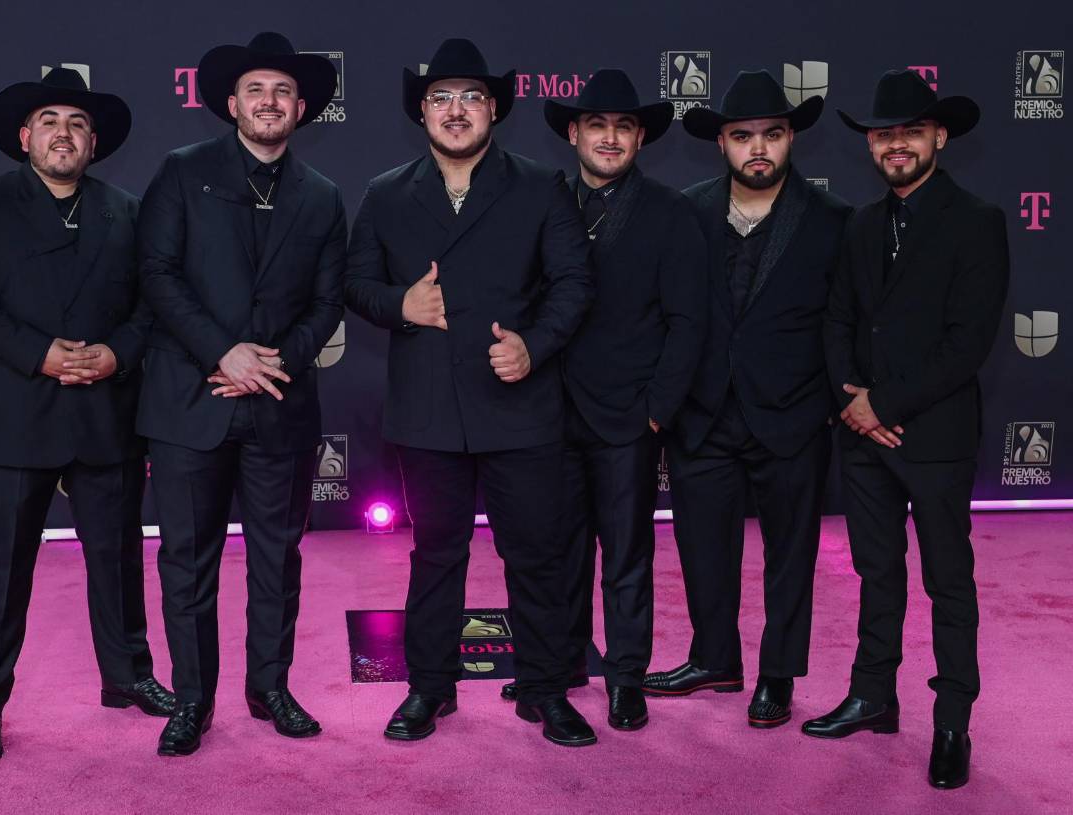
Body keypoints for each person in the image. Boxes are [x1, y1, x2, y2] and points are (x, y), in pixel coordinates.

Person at [344, 38, 597, 746]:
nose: (457, 111)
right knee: (436, 554)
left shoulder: (539, 186)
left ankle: (546, 688)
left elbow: (575, 283)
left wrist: (534, 346)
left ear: (495, 110)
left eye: (471, 98)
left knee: (537, 553)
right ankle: (430, 687)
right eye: (442, 98)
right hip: (427, 410)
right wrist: (401, 306)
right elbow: (354, 281)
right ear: (422, 111)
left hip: (519, 402)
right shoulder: (387, 192)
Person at [0, 66, 172, 764]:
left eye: (76, 124)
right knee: (2, 566)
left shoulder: (127, 211)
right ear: (24, 137)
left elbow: (149, 304)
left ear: (94, 143)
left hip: (107, 409)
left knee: (119, 556)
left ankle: (127, 674)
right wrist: (39, 353)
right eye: (49, 122)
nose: (62, 134)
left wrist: (115, 354)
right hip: (17, 412)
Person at [137, 32, 345, 756]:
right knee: (186, 560)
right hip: (190, 401)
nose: (269, 101)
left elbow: (328, 302)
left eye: (282, 92)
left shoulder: (322, 197)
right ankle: (192, 699)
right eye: (256, 90)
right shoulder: (181, 171)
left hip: (279, 404)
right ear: (231, 103)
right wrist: (221, 351)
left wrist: (272, 360)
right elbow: (157, 274)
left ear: (301, 108)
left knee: (276, 558)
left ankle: (270, 686)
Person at [805, 69, 1008, 791]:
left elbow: (968, 341)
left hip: (935, 433)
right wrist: (851, 403)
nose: (895, 145)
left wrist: (882, 404)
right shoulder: (860, 224)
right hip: (862, 437)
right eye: (884, 135)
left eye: (909, 133)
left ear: (938, 138)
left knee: (948, 580)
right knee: (875, 572)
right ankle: (873, 695)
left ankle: (953, 721)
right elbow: (835, 321)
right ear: (872, 146)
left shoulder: (977, 219)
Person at [495, 68, 707, 733]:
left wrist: (655, 410)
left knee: (626, 556)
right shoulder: (541, 200)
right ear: (573, 134)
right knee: (553, 552)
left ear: (639, 136)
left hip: (627, 419)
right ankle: (555, 668)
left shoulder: (671, 213)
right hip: (546, 413)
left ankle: (625, 678)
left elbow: (689, 322)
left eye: (622, 126)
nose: (609, 137)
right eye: (597, 125)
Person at [643, 71, 850, 731]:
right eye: (742, 136)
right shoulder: (686, 211)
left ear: (791, 139)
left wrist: (827, 402)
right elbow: (662, 311)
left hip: (791, 416)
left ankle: (778, 675)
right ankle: (714, 656)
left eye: (772, 134)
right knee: (702, 546)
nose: (757, 147)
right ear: (722, 144)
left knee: (790, 556)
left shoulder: (832, 220)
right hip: (704, 414)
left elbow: (842, 322)